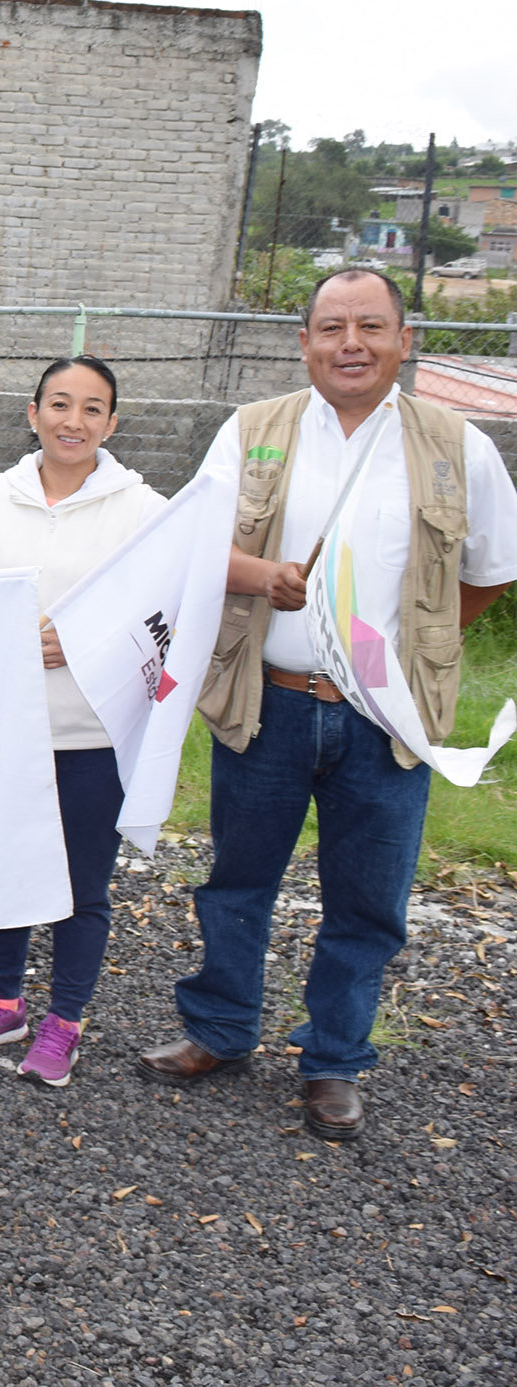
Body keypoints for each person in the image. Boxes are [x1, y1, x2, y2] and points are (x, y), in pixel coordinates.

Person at [139, 268, 516, 1140]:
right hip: (266, 703)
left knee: (368, 901)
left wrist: (419, 651)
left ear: (403, 340)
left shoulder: (458, 444)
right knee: (237, 880)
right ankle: (221, 1028)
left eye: (372, 327)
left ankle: (334, 1059)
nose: (353, 343)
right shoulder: (254, 431)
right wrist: (260, 578)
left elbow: (490, 571)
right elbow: (191, 547)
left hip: (386, 722)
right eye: (333, 327)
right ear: (304, 341)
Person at [0, 355, 163, 1085]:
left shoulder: (142, 510)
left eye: (92, 408)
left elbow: (165, 615)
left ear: (112, 424)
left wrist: (83, 645)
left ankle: (65, 1019)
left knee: (82, 883)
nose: (74, 420)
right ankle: (3, 998)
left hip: (92, 732)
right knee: (4, 869)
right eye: (59, 404)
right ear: (32, 413)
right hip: (0, 724)